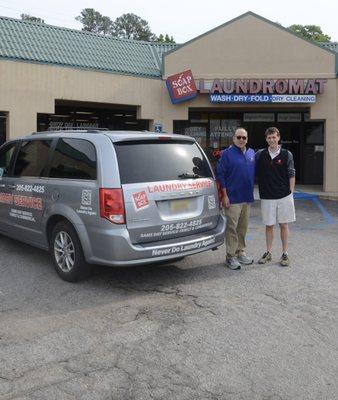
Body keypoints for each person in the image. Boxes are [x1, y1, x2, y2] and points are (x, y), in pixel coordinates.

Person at [255, 127, 296, 267]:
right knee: (269, 226)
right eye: (269, 137)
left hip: (284, 196)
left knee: (284, 224)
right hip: (267, 196)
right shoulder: (260, 154)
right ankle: (268, 252)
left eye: (274, 137)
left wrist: (290, 192)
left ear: (278, 137)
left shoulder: (287, 154)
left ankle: (285, 254)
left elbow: (291, 173)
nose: (272, 139)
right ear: (266, 139)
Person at [216, 128, 255, 270]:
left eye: (244, 137)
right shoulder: (226, 154)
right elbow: (221, 175)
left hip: (247, 198)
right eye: (238, 137)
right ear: (233, 139)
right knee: (231, 228)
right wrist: (225, 195)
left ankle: (241, 252)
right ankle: (230, 257)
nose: (241, 140)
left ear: (247, 139)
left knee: (242, 227)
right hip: (232, 198)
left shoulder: (251, 154)